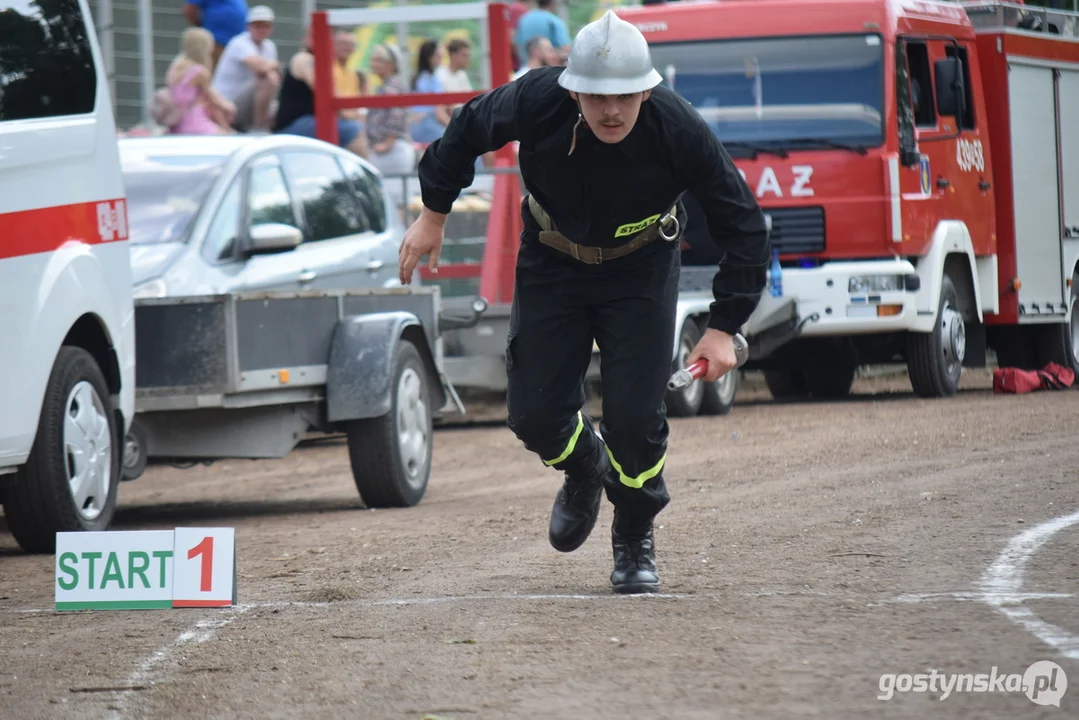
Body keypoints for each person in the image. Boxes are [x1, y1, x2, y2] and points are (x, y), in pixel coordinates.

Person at [397, 11, 770, 594]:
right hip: (552, 259)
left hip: (641, 269)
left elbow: (743, 224)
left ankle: (633, 532)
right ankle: (582, 467)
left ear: (648, 89)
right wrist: (434, 212)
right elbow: (467, 126)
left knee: (635, 420)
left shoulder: (678, 127)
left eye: (625, 96)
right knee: (536, 414)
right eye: (597, 98)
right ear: (573, 89)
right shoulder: (537, 99)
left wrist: (724, 326)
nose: (612, 110)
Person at [272, 27, 368, 157]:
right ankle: (365, 174)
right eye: (313, 36)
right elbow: (327, 92)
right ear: (305, 40)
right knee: (354, 130)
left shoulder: (326, 65)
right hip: (295, 125)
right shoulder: (304, 59)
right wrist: (350, 114)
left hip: (309, 122)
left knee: (349, 128)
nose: (319, 40)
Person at [211, 4, 280, 132]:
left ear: (271, 28)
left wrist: (272, 68)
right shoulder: (240, 43)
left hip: (245, 103)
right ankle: (259, 128)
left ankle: (260, 125)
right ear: (248, 26)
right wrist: (274, 65)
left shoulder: (269, 46)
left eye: (266, 26)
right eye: (257, 25)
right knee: (268, 79)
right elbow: (261, 68)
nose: (262, 29)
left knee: (280, 107)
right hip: (227, 105)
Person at [164, 27, 236, 135]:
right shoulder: (199, 72)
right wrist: (230, 107)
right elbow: (215, 99)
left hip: (175, 122)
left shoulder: (176, 67)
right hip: (194, 122)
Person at [410, 40, 452, 145]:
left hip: (414, 127)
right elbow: (440, 114)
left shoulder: (417, 78)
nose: (441, 57)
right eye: (438, 55)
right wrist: (456, 127)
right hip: (429, 125)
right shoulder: (434, 80)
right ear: (430, 57)